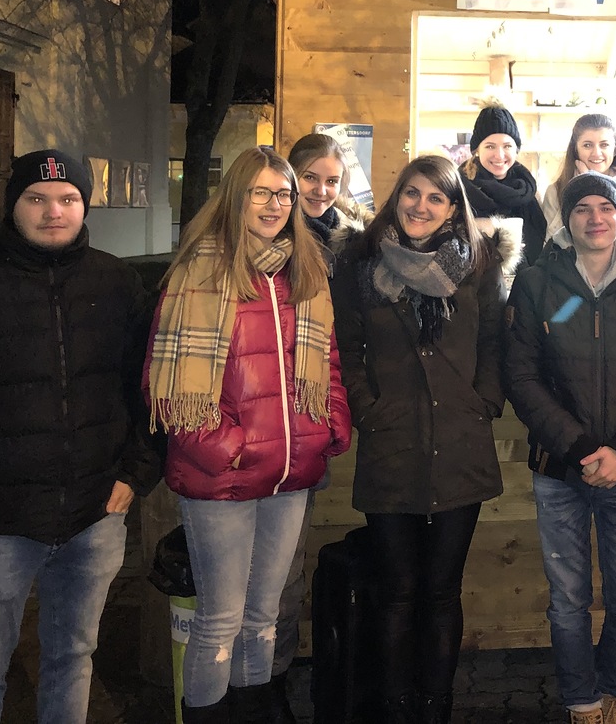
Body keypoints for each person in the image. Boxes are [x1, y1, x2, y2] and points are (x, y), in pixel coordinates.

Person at [0, 149, 159, 724]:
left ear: (85, 205)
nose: (53, 211)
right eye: (36, 198)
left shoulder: (117, 282)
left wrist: (136, 472)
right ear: (13, 205)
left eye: (68, 199)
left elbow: (147, 386)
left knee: (73, 658)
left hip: (93, 514)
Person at [145, 145, 351, 723]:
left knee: (262, 618)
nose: (274, 204)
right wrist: (231, 451)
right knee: (220, 619)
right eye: (261, 192)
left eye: (283, 194)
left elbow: (328, 362)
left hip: (290, 472)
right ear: (236, 196)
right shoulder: (198, 272)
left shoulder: (303, 271)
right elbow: (168, 384)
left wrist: (328, 426)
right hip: (223, 478)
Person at [332, 154, 518, 724]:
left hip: (460, 442)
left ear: (453, 208)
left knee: (441, 593)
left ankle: (436, 708)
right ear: (397, 198)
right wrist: (367, 409)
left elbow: (494, 343)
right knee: (397, 593)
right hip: (392, 444)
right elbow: (347, 348)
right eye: (412, 193)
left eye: (437, 197)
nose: (422, 206)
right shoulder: (361, 263)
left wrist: (484, 401)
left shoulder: (479, 266)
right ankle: (396, 709)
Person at [504, 172, 616, 724]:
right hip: (560, 471)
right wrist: (578, 447)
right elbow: (521, 375)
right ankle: (583, 703)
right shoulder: (538, 285)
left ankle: (615, 690)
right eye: (583, 208)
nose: (596, 217)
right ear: (567, 217)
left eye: (606, 206)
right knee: (568, 602)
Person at [268, 133, 367, 718]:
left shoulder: (350, 246)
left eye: (332, 181)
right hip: (259, 412)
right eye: (310, 178)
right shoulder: (265, 239)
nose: (321, 191)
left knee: (286, 570)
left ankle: (272, 682)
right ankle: (245, 690)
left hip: (308, 418)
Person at [460, 100, 547, 267]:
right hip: (474, 275)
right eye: (490, 147)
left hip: (525, 277)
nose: (499, 155)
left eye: (507, 146)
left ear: (516, 149)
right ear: (477, 150)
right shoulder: (461, 187)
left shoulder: (529, 189)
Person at [540, 114, 616, 246]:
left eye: (604, 145)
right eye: (587, 145)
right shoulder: (556, 191)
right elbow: (552, 244)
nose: (596, 153)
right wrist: (586, 185)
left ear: (615, 150)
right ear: (576, 150)